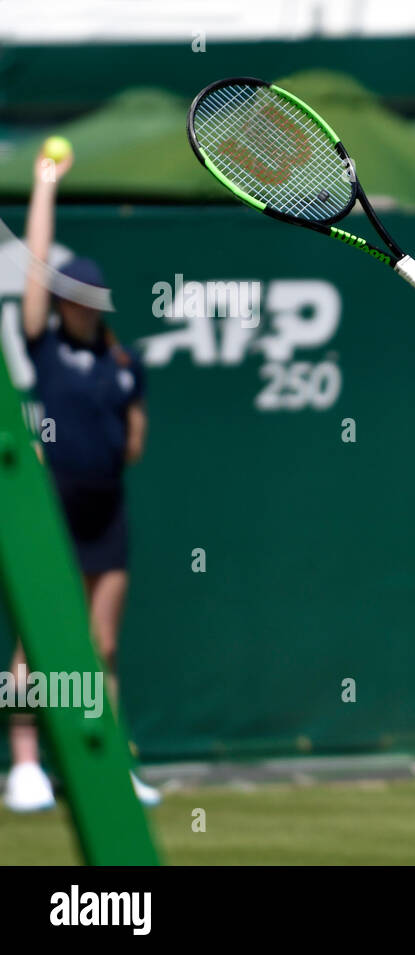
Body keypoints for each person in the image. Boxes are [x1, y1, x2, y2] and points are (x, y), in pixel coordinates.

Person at [3, 149, 159, 811]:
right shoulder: (43, 340)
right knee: (38, 642)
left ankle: (107, 765)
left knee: (103, 644)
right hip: (52, 505)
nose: (80, 305)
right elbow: (35, 264)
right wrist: (44, 187)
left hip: (106, 509)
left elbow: (135, 431)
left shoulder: (121, 360)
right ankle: (27, 768)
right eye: (69, 295)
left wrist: (124, 442)